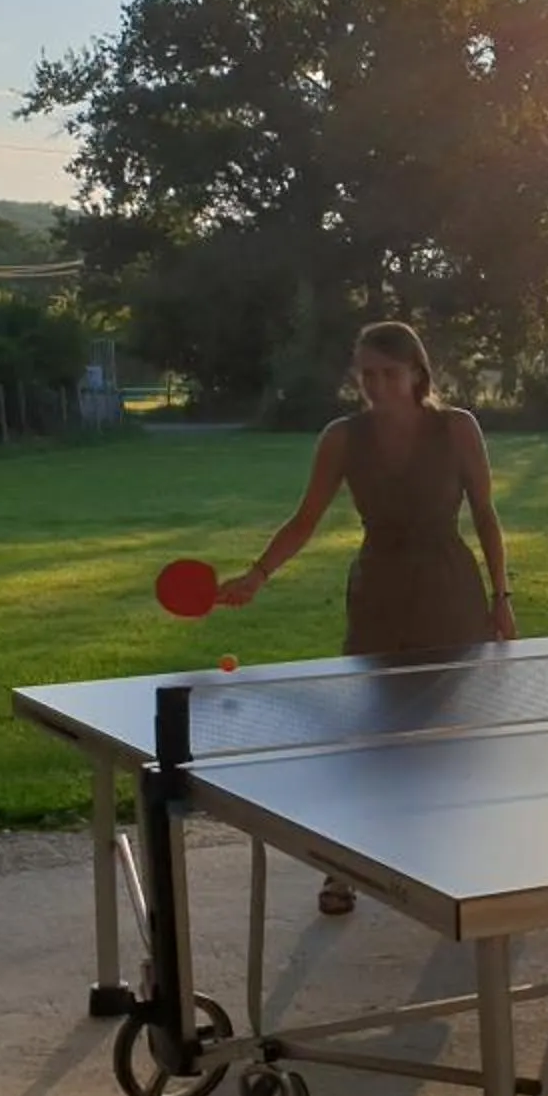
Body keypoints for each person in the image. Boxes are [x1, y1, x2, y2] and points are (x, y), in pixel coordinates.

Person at [219, 321, 514, 914]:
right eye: (367, 374)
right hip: (378, 585)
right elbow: (304, 520)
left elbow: (484, 513)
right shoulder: (341, 437)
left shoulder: (457, 428)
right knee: (368, 732)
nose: (377, 385)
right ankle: (344, 868)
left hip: (449, 586)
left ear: (417, 374)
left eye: (389, 373)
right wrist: (257, 574)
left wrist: (502, 596)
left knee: (457, 729)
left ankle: (469, 854)